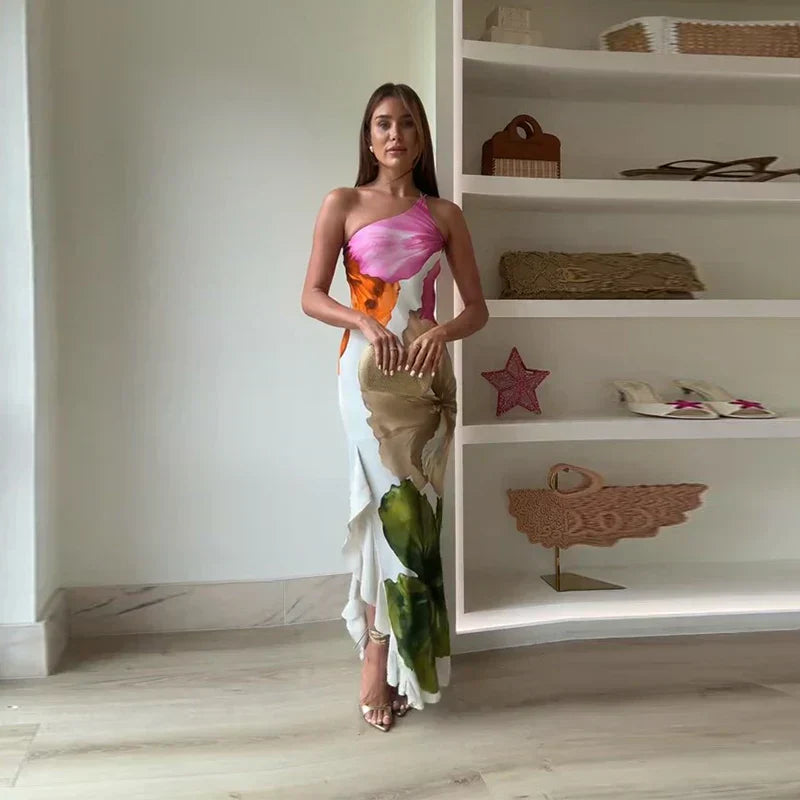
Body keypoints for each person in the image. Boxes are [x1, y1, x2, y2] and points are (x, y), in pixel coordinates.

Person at [301, 83, 488, 732]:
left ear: (421, 136)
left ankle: (406, 655)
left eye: (407, 124)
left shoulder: (445, 215)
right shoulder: (344, 203)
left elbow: (477, 309)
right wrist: (361, 319)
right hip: (365, 378)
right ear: (368, 136)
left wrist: (444, 332)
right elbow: (310, 295)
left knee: (418, 521)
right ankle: (377, 658)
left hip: (426, 382)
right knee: (387, 512)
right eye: (382, 124)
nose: (394, 135)